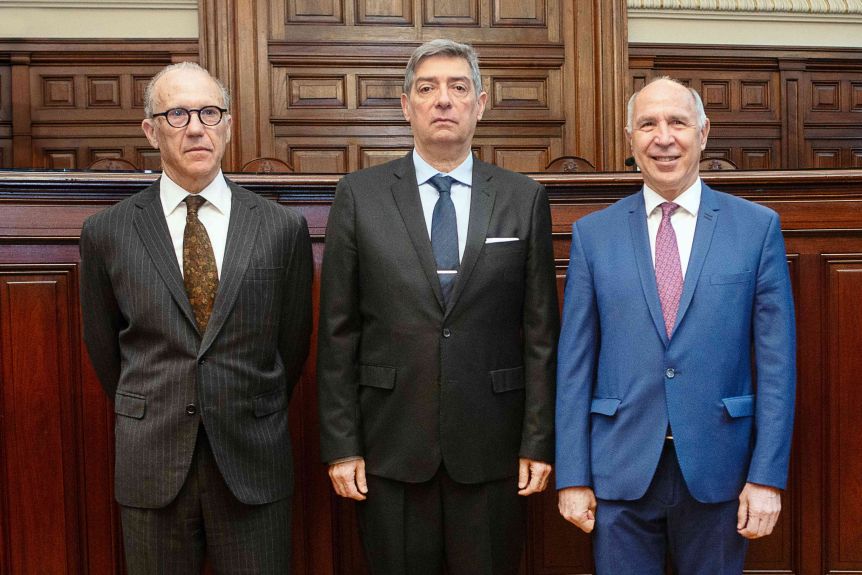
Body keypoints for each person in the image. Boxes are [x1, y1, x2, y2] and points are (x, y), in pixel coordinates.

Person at [317, 38, 559, 575]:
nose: (443, 99)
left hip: (494, 448)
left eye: (459, 87)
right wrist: (342, 445)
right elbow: (338, 332)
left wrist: (538, 441)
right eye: (427, 88)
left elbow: (541, 334)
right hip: (389, 447)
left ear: (481, 103)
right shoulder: (359, 195)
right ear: (406, 106)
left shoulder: (522, 197)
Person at [555, 76, 796, 574]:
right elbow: (574, 366)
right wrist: (572, 476)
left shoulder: (756, 228)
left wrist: (767, 477)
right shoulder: (593, 235)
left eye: (678, 123)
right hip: (618, 472)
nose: (663, 137)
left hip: (721, 471)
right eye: (648, 124)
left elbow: (777, 366)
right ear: (630, 139)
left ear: (703, 133)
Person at [79, 61, 312, 573]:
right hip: (153, 463)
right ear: (151, 131)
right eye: (177, 114)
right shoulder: (107, 232)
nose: (196, 128)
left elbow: (292, 344)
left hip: (253, 460)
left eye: (209, 112)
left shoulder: (281, 228)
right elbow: (105, 348)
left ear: (227, 124)